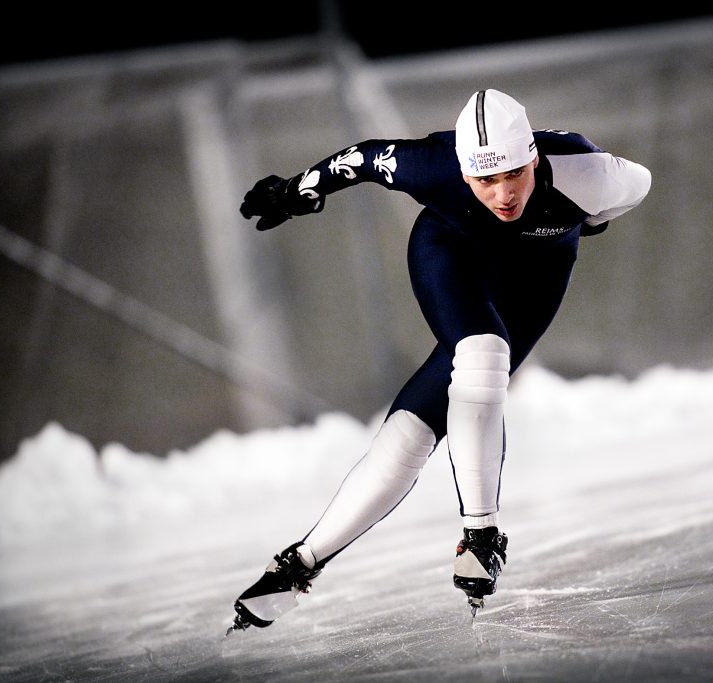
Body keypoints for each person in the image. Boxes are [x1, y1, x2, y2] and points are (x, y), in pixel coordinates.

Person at [228, 88, 651, 632]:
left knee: (423, 420)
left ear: (534, 159)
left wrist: (595, 219)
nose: (502, 196)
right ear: (463, 172)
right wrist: (296, 192)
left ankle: (304, 559)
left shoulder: (588, 172)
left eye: (514, 176)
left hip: (533, 281)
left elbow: (637, 186)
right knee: (481, 353)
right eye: (484, 180)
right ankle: (474, 535)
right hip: (451, 253)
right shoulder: (433, 167)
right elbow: (358, 159)